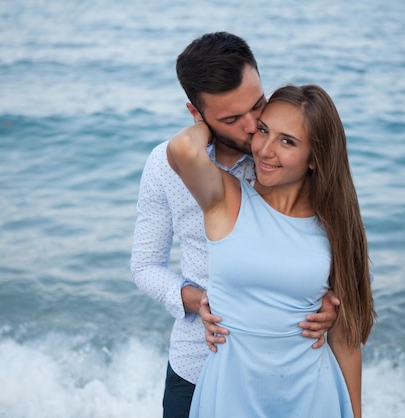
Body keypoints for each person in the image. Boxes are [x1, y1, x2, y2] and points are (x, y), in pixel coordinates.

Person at [130, 32, 339, 418]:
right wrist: (197, 300)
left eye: (257, 104)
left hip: (282, 377)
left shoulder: (287, 158)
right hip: (199, 360)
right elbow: (144, 266)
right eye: (231, 118)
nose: (252, 125)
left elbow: (349, 261)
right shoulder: (165, 166)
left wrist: (334, 306)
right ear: (197, 115)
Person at [167, 84, 376, 418]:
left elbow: (347, 339)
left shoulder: (335, 226)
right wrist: (215, 120)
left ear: (315, 158)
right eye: (263, 131)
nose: (265, 150)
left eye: (287, 141)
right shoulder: (226, 198)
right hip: (231, 395)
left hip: (312, 395)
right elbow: (183, 149)